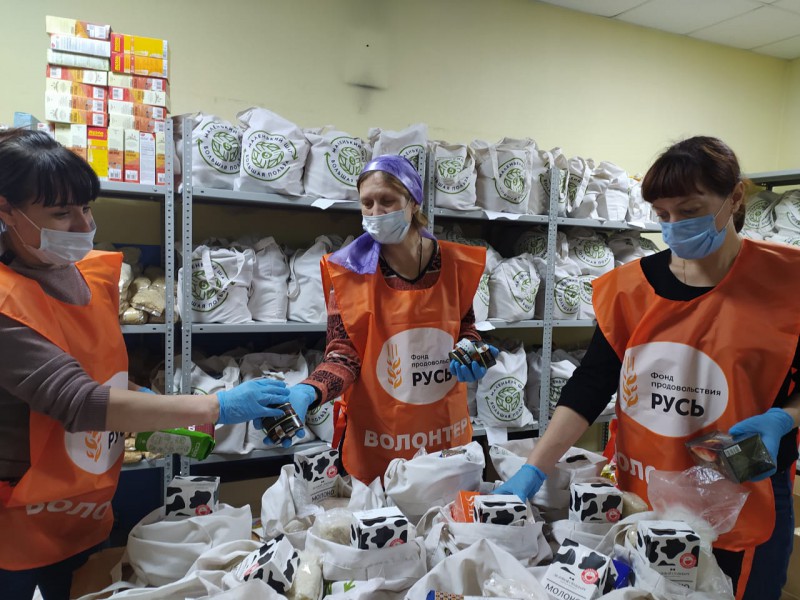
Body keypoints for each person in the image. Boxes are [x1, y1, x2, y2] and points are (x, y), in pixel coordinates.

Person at [495, 136, 800, 600]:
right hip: (643, 497)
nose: (675, 226)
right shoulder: (629, 290)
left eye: (690, 210)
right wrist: (534, 469)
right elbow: (589, 386)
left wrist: (783, 418)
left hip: (740, 499)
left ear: (735, 197)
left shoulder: (788, 282)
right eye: (663, 215)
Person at [0, 129, 293, 600]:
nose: (82, 225)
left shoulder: (86, 276)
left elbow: (102, 375)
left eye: (86, 208)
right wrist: (215, 406)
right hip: (18, 518)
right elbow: (79, 401)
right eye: (60, 213)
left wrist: (162, 411)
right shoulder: (5, 301)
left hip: (83, 503)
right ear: (6, 210)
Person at [269, 154, 496, 484]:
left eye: (387, 201)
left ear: (413, 202)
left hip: (444, 433)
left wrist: (472, 351)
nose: (376, 212)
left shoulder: (454, 264)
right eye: (367, 203)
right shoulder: (347, 273)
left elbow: (466, 327)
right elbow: (343, 355)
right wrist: (309, 391)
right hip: (380, 439)